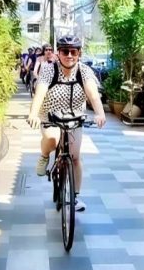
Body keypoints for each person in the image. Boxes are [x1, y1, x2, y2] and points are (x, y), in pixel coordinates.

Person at [27, 35, 107, 212]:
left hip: (75, 117)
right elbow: (40, 93)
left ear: (79, 53)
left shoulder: (84, 71)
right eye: (65, 51)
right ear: (58, 53)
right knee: (52, 139)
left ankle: (75, 197)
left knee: (76, 157)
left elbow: (93, 94)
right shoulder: (49, 70)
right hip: (51, 116)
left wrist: (100, 113)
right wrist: (33, 114)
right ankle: (45, 155)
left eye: (74, 51)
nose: (69, 55)